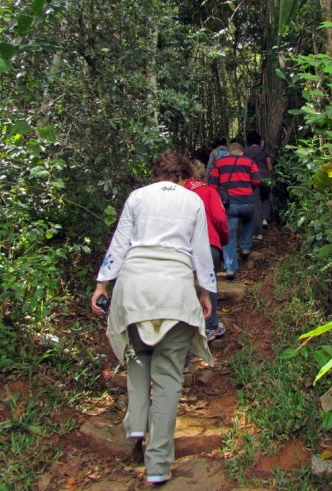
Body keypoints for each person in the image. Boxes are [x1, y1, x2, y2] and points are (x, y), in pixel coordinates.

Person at [90, 151, 216, 486]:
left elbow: (120, 243)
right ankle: (158, 465)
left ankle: (135, 426)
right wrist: (205, 293)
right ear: (182, 176)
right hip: (174, 294)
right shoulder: (192, 201)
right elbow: (201, 252)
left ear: (156, 174)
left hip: (135, 291)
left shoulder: (137, 197)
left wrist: (102, 283)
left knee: (137, 357)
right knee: (168, 379)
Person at [185, 159, 229, 342]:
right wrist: (223, 239)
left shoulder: (176, 192)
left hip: (180, 245)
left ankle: (182, 328)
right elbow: (219, 218)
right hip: (208, 243)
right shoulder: (209, 191)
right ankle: (210, 325)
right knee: (208, 282)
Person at [209, 142, 260, 280]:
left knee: (230, 235)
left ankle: (230, 268)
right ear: (242, 152)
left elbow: (213, 185)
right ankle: (245, 248)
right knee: (248, 220)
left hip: (230, 203)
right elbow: (257, 181)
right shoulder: (249, 161)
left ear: (229, 152)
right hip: (248, 201)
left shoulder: (219, 163)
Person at [244, 131, 273, 239]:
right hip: (265, 177)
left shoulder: (245, 152)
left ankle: (258, 232)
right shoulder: (264, 151)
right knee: (265, 199)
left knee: (255, 203)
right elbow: (269, 167)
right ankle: (265, 218)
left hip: (252, 179)